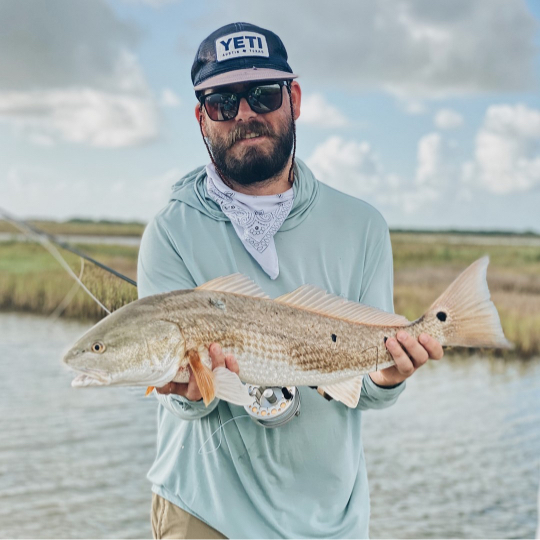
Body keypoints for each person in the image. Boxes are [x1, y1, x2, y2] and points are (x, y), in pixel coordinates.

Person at [137, 22, 444, 539]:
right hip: (205, 515)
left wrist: (388, 377)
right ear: (201, 118)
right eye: (223, 103)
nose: (246, 115)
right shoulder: (170, 230)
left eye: (262, 94)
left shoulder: (361, 225)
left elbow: (364, 390)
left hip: (331, 521)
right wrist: (187, 392)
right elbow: (182, 400)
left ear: (293, 98)